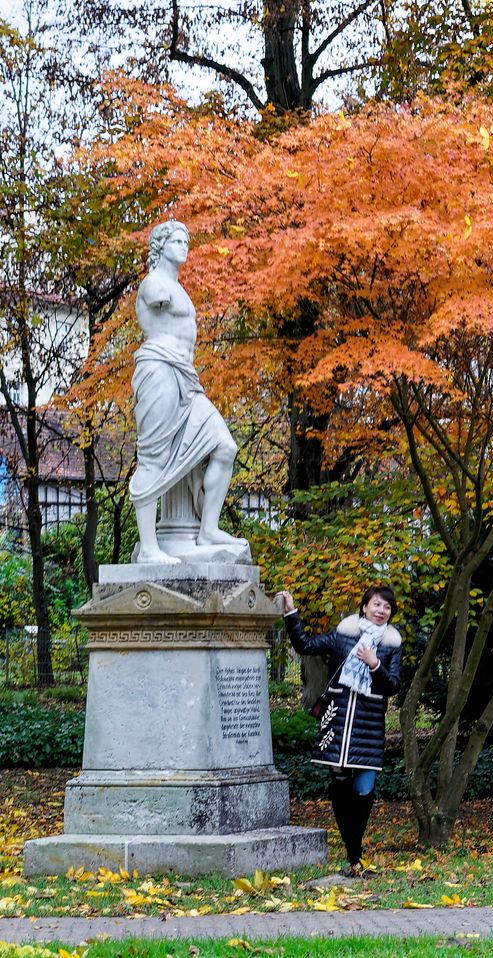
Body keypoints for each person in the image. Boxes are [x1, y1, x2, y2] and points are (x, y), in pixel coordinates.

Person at [129, 220, 247, 564]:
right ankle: (150, 548)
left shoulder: (179, 288)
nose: (185, 246)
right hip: (159, 372)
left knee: (225, 446)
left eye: (187, 241)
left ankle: (208, 528)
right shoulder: (154, 284)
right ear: (160, 245)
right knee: (154, 458)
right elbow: (154, 298)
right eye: (177, 240)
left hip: (187, 379)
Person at [275, 585, 403, 878]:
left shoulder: (392, 645)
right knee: (340, 786)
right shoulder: (343, 636)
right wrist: (291, 613)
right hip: (338, 722)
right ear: (364, 606)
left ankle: (354, 851)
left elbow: (393, 685)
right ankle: (354, 856)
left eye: (387, 607)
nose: (381, 610)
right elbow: (304, 645)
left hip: (369, 728)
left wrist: (375, 665)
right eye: (377, 604)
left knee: (364, 789)